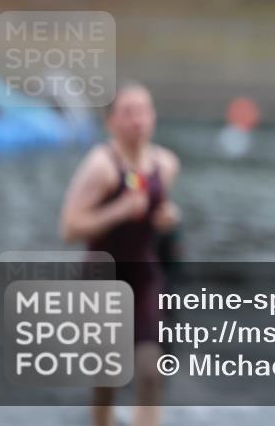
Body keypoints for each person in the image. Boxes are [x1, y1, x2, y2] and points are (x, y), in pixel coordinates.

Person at [60, 82, 181, 426]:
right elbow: (68, 228)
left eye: (143, 111)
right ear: (111, 122)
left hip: (145, 279)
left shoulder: (165, 164)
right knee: (107, 378)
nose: (137, 120)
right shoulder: (101, 167)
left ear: (154, 117)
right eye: (128, 113)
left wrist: (168, 217)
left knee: (149, 371)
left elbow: (161, 211)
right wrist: (117, 212)